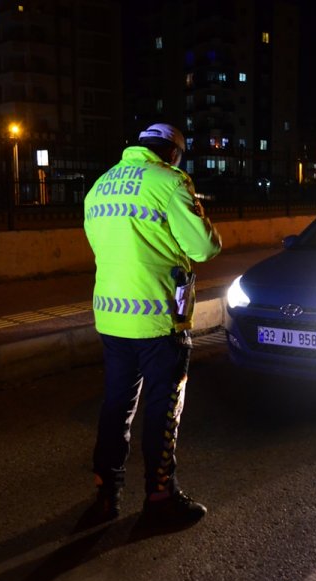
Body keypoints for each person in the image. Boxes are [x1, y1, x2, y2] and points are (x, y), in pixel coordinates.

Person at [83, 123, 222, 526]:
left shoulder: (101, 185)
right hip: (160, 317)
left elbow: (103, 245)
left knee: (116, 406)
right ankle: (160, 496)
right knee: (163, 408)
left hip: (111, 315)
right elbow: (204, 247)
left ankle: (105, 493)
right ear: (174, 154)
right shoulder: (170, 181)